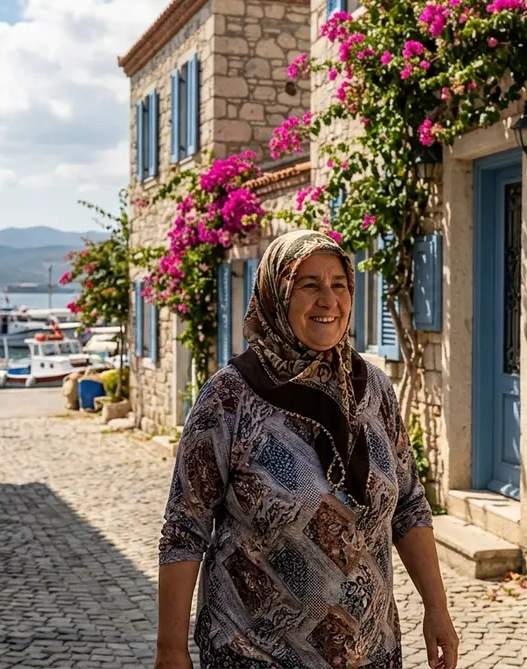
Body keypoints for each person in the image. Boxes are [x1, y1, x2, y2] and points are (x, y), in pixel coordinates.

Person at [155, 230, 459, 669]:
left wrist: (437, 608)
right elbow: (185, 527)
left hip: (370, 652)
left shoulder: (372, 390)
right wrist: (170, 650)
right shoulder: (231, 396)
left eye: (339, 284)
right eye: (309, 284)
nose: (328, 299)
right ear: (278, 293)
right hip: (255, 654)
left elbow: (409, 506)